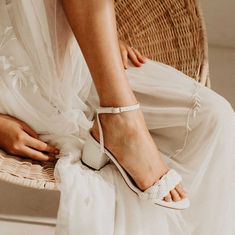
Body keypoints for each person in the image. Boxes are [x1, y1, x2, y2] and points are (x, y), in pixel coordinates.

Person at [0, 0, 234, 234]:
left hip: (80, 57)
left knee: (215, 119)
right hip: (16, 84)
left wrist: (100, 34)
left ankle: (121, 117)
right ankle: (122, 120)